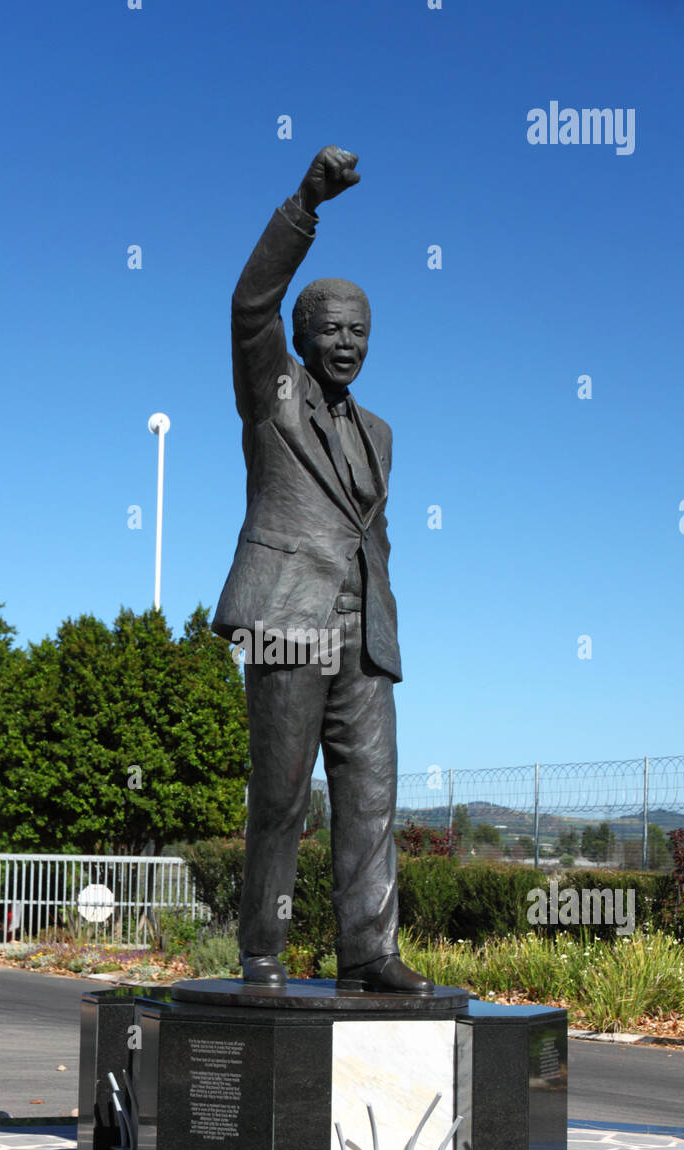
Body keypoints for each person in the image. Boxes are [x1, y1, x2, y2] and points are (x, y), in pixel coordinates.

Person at [213, 146, 433, 993]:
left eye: (359, 331)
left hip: (363, 635)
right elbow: (249, 302)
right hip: (285, 621)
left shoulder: (380, 433)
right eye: (332, 329)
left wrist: (378, 623)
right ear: (302, 336)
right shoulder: (270, 392)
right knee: (280, 798)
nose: (346, 343)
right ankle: (262, 952)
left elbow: (370, 534)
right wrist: (306, 203)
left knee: (370, 798)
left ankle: (369, 952)